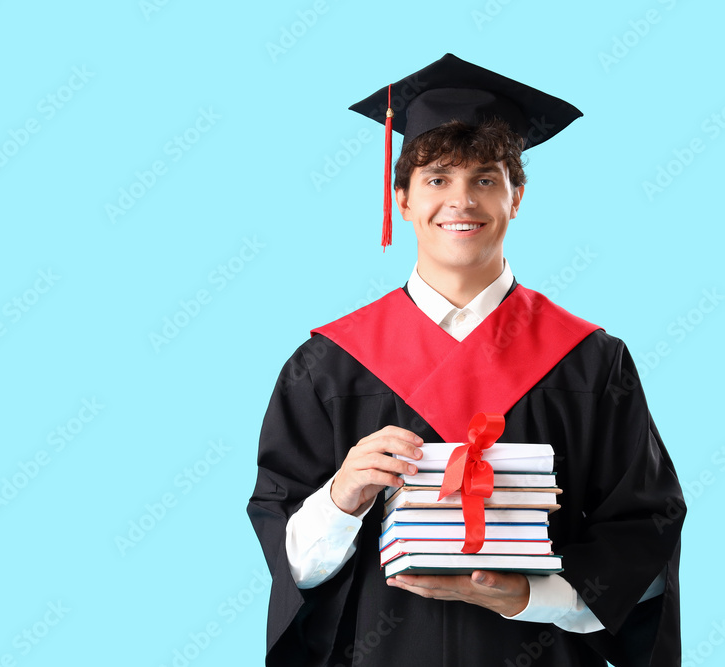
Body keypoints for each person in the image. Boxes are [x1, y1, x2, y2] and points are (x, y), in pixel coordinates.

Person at [247, 53, 685, 667]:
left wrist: (528, 597)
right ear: (400, 199)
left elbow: (644, 524)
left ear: (517, 197)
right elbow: (290, 559)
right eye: (436, 179)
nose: (462, 201)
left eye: (486, 179)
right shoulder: (327, 364)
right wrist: (342, 496)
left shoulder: (590, 361)